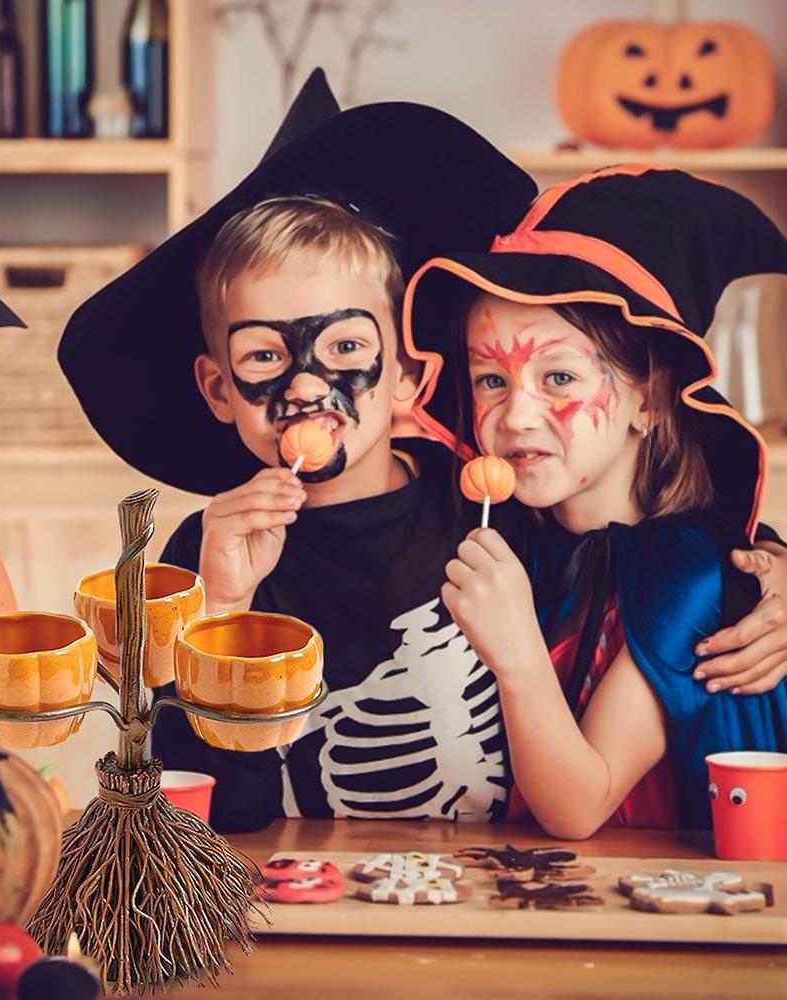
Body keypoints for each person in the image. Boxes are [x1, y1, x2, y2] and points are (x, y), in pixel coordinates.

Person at [59, 74, 787, 833]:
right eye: (265, 356)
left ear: (410, 370)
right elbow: (204, 814)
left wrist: (768, 572)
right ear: (219, 387)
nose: (306, 385)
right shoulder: (205, 556)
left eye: (346, 347)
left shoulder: (494, 504)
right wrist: (223, 610)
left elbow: (653, 552)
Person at [405, 164, 787, 836]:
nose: (515, 416)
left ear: (652, 399)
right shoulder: (518, 538)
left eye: (559, 377)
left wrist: (517, 652)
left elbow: (580, 806)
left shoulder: (687, 572)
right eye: (491, 380)